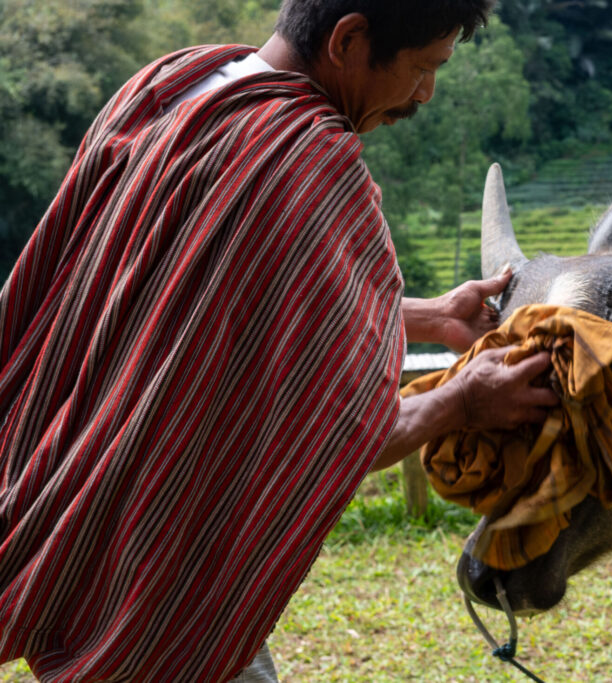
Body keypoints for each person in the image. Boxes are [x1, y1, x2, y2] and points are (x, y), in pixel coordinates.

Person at [0, 1, 558, 681]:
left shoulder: (173, 86)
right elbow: (342, 428)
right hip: (162, 562)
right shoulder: (309, 163)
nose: (424, 94)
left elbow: (194, 297)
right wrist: (463, 400)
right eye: (422, 68)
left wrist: (429, 314)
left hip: (78, 508)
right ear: (349, 39)